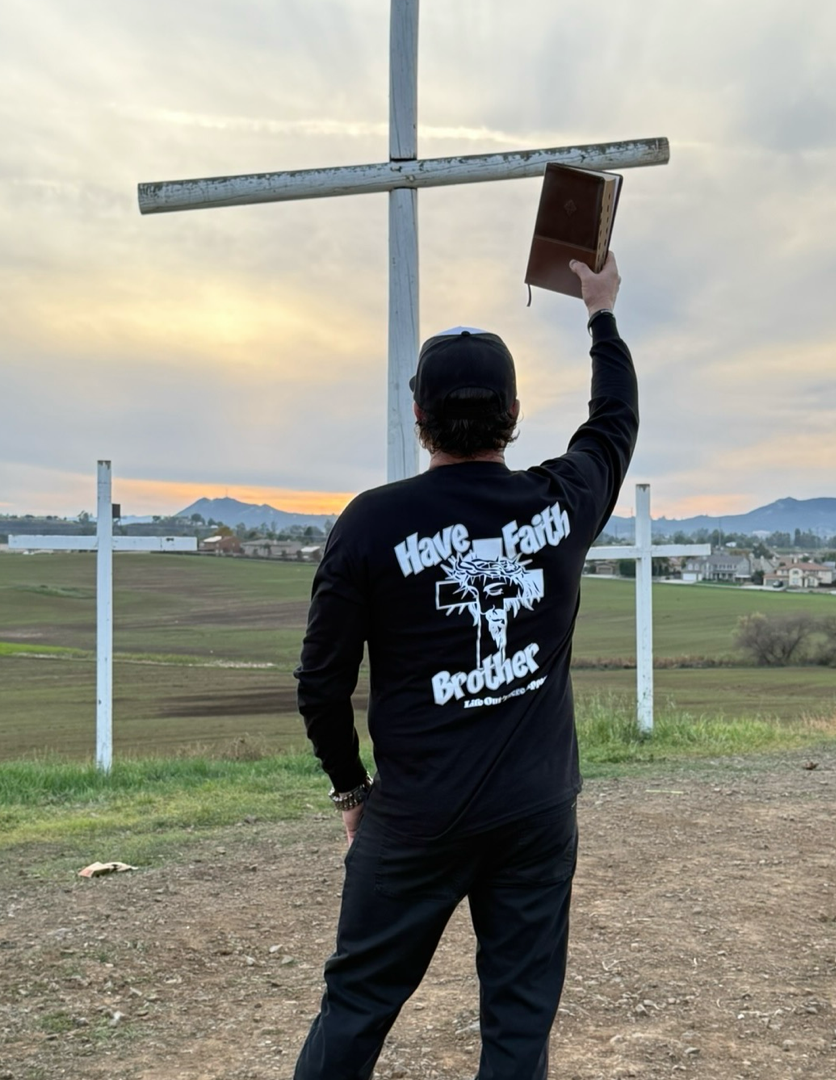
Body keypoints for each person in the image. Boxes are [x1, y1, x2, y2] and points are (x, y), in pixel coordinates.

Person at [293, 252, 637, 1080]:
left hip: (414, 819)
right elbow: (612, 424)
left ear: (418, 416)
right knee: (518, 1027)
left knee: (358, 1007)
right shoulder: (561, 503)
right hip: (536, 813)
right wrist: (600, 314)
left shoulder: (371, 526)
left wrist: (351, 790)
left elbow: (320, 683)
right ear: (514, 414)